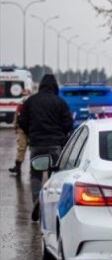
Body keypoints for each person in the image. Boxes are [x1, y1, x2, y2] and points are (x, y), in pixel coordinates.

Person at [18, 74, 73, 220]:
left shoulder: (31, 101)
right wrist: (61, 134)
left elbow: (22, 120)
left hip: (37, 144)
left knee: (35, 174)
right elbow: (68, 123)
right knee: (54, 175)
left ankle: (37, 199)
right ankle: (51, 203)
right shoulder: (60, 102)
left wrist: (31, 133)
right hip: (55, 145)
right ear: (55, 86)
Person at [7, 89, 31, 176]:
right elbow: (16, 115)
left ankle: (34, 167)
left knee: (33, 149)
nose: (24, 95)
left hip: (31, 129)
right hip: (22, 129)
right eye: (23, 94)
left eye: (26, 93)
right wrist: (15, 127)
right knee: (21, 148)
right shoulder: (20, 104)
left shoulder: (33, 103)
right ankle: (17, 167)